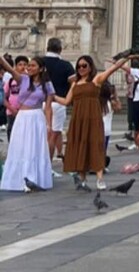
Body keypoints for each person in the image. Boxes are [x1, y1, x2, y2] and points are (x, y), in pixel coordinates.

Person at [58, 53, 129, 192]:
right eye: (79, 66)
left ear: (90, 67)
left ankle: (100, 178)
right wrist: (51, 96)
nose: (81, 68)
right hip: (78, 119)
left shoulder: (96, 80)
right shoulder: (75, 84)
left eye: (84, 66)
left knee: (95, 145)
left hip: (93, 117)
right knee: (80, 146)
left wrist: (127, 57)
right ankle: (83, 178)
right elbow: (66, 101)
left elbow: (113, 69)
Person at [1, 57, 55, 193]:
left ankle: (33, 179)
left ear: (41, 69)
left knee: (34, 148)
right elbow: (9, 68)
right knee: (20, 146)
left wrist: (49, 125)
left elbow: (48, 107)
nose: (29, 68)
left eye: (32, 65)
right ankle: (20, 179)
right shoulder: (23, 79)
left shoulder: (47, 85)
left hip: (36, 117)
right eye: (28, 65)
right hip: (22, 117)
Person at [42, 37, 75, 168]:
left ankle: (60, 153)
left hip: (40, 102)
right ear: (60, 49)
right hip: (59, 101)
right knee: (53, 134)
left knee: (52, 131)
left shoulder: (39, 62)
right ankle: (48, 166)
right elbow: (74, 83)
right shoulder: (65, 65)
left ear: (47, 48)